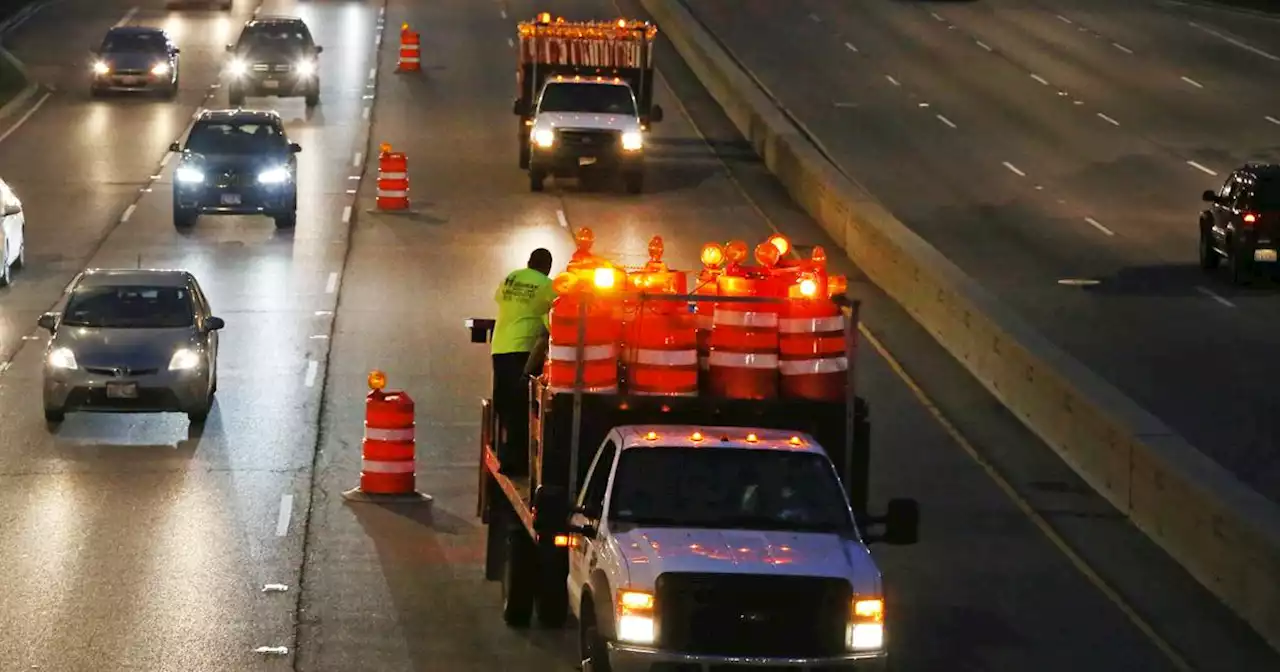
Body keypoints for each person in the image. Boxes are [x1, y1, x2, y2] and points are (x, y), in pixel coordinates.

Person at [492, 248, 556, 476]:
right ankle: (515, 461)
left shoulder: (511, 278)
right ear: (548, 267)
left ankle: (505, 454)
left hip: (500, 346)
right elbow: (553, 320)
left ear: (529, 262)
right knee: (521, 406)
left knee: (504, 401)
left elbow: (500, 298)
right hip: (523, 350)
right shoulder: (547, 286)